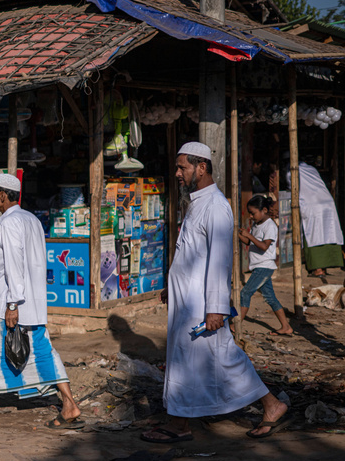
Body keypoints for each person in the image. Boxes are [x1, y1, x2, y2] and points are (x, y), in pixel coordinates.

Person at [142, 142, 290, 443]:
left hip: (202, 304)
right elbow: (190, 253)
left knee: (217, 358)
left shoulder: (216, 207)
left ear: (202, 167)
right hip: (188, 300)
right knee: (203, 359)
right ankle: (184, 421)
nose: (177, 173)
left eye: (182, 167)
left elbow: (221, 261)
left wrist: (217, 308)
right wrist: (172, 285)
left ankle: (183, 423)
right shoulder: (197, 203)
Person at [0, 172, 83, 428]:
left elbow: (14, 265)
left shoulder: (9, 223)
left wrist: (12, 304)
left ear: (3, 195)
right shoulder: (30, 219)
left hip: (10, 306)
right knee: (44, 353)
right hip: (31, 304)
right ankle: (69, 404)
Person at [237, 194, 292, 336]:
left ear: (264, 210)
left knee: (245, 293)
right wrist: (239, 234)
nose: (251, 216)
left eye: (253, 213)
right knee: (270, 298)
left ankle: (236, 324)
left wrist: (249, 236)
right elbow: (250, 243)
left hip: (264, 266)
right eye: (249, 213)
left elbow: (263, 246)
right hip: (258, 266)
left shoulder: (270, 226)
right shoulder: (256, 224)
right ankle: (286, 326)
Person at [289, 161, 344, 277]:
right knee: (328, 232)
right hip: (327, 202)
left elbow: (291, 188)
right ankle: (324, 268)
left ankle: (318, 269)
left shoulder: (291, 171)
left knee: (314, 235)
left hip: (311, 204)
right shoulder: (311, 168)